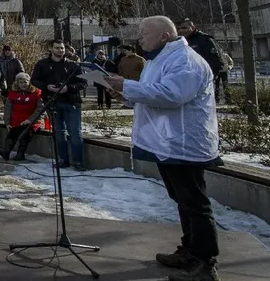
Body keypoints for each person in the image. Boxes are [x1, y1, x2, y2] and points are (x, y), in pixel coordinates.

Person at [104, 17, 221, 281]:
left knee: (195, 203)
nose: (139, 37)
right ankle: (189, 250)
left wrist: (128, 86)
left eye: (144, 33)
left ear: (164, 36)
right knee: (182, 200)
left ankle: (205, 263)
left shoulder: (186, 61)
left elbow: (171, 96)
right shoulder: (160, 60)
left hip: (185, 144)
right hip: (167, 143)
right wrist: (127, 95)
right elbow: (152, 93)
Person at [30, 39, 87, 170]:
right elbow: (34, 80)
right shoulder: (42, 64)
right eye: (57, 48)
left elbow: (83, 83)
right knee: (59, 133)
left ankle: (78, 161)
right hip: (52, 102)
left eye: (62, 48)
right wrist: (47, 87)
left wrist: (69, 88)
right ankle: (63, 159)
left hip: (71, 102)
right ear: (51, 49)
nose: (60, 51)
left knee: (75, 132)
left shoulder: (73, 65)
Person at [0, 73, 45, 162]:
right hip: (17, 120)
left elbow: (40, 109)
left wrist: (30, 120)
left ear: (29, 82)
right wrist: (7, 122)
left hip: (33, 120)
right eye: (21, 82)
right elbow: (7, 109)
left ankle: (20, 153)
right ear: (17, 83)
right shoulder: (12, 94)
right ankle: (6, 151)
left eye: (26, 82)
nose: (23, 84)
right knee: (13, 130)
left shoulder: (37, 92)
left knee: (25, 131)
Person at [177, 19, 225, 103]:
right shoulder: (178, 42)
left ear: (192, 27)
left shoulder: (204, 40)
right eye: (178, 28)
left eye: (184, 28)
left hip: (202, 83)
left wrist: (208, 78)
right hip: (184, 83)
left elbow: (217, 61)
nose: (181, 31)